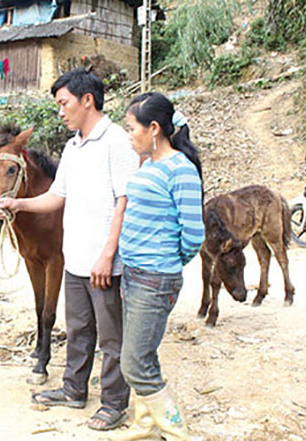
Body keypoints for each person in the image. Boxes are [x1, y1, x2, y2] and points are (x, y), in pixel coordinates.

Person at [0, 68, 139, 431]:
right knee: (78, 329)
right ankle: (74, 389)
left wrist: (109, 254)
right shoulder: (73, 146)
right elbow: (57, 196)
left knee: (111, 337)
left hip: (106, 261)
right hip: (75, 258)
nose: (60, 111)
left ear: (87, 100)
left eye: (64, 103)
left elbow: (126, 200)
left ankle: (113, 402)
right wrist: (19, 206)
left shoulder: (117, 142)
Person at [109, 92, 204, 441]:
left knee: (132, 362)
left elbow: (194, 234)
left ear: (153, 128)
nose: (128, 134)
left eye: (131, 128)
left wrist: (166, 262)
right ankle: (146, 423)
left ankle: (177, 430)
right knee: (141, 354)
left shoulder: (181, 170)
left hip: (155, 278)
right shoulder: (148, 164)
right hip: (134, 275)